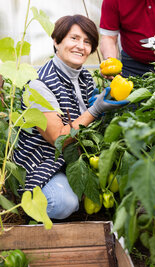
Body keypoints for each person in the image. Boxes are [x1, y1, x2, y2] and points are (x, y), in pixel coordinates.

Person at [13, 14, 128, 220]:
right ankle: (32, 205)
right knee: (63, 203)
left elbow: (89, 128)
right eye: (73, 38)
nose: (80, 46)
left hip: (71, 161)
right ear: (56, 41)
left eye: (87, 42)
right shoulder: (38, 85)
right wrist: (95, 110)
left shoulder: (84, 77)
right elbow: (58, 138)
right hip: (43, 162)